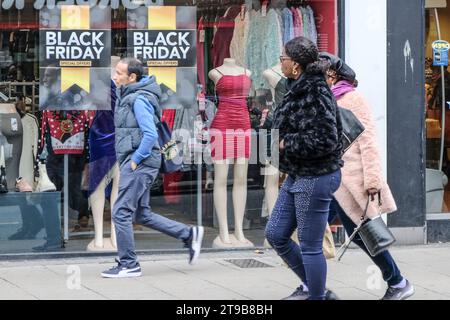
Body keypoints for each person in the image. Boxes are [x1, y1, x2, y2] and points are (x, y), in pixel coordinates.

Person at [320, 52, 415, 300]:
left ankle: (398, 281)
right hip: (332, 179)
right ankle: (312, 285)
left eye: (322, 72)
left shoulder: (353, 99)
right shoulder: (327, 99)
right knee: (311, 229)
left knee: (364, 235)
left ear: (333, 74)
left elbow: (368, 141)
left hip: (352, 182)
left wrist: (373, 181)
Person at [101, 58, 204, 278]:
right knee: (142, 213)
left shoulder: (138, 99)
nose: (114, 76)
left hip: (140, 162)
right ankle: (188, 234)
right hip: (139, 161)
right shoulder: (130, 95)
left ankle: (129, 264)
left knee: (120, 212)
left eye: (119, 73)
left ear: (132, 77)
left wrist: (135, 160)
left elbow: (149, 135)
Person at [265, 37, 343, 300]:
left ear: (295, 64)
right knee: (275, 233)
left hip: (317, 174)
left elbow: (326, 139)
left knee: (310, 246)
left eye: (283, 58)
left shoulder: (315, 91)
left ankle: (317, 295)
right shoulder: (295, 85)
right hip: (298, 172)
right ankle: (316, 289)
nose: (280, 62)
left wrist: (289, 142)